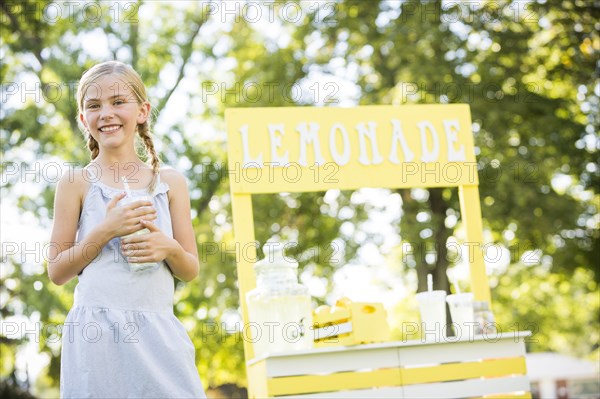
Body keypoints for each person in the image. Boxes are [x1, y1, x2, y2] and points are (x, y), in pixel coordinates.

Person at [48, 61, 206, 398]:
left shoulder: (171, 183)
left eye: (118, 102)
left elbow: (190, 268)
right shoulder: (75, 183)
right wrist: (105, 230)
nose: (106, 113)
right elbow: (57, 270)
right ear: (82, 120)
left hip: (158, 334)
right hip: (96, 337)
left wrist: (169, 249)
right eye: (94, 106)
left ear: (142, 111)